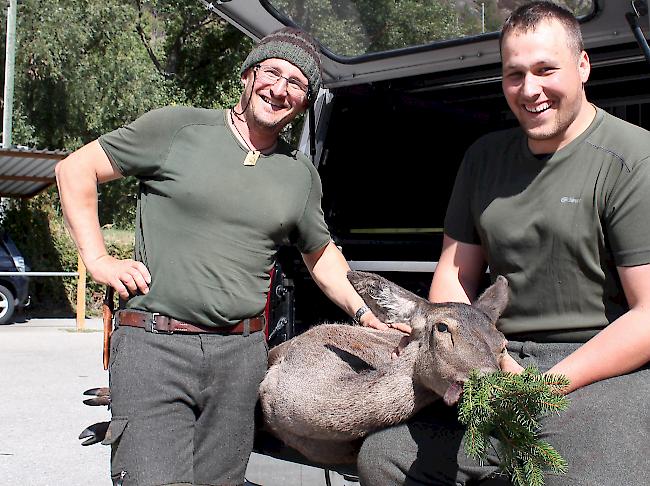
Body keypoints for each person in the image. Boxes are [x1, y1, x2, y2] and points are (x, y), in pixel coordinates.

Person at [56, 27, 386, 486]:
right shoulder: (177, 128)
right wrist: (98, 260)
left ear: (305, 102)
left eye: (296, 83)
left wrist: (365, 310)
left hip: (241, 356)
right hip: (155, 345)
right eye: (272, 73)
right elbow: (75, 170)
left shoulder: (299, 174)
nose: (280, 89)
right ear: (248, 77)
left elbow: (322, 255)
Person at [356, 2, 650, 485]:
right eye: (514, 74)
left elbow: (645, 316)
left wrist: (541, 387)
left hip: (601, 367)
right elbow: (454, 275)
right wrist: (468, 355)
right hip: (495, 354)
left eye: (545, 70)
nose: (529, 89)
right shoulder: (483, 157)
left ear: (583, 65)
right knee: (382, 459)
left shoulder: (632, 158)